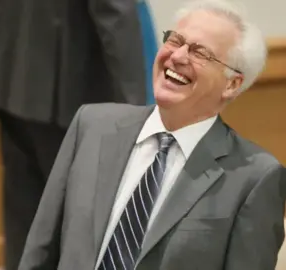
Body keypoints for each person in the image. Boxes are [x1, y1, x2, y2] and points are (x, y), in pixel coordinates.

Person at [18, 0, 286, 269]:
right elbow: (40, 252)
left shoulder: (254, 178)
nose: (178, 56)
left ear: (232, 84)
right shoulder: (91, 125)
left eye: (200, 53)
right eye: (175, 40)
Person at [0, 0, 147, 269]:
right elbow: (114, 10)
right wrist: (136, 108)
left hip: (10, 75)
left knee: (26, 219)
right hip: (70, 86)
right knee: (82, 226)